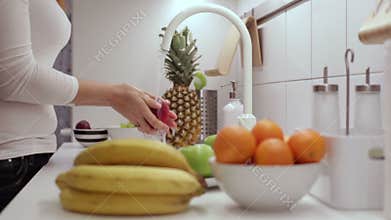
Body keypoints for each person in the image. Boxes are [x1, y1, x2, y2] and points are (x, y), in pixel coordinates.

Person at [0, 0, 176, 210]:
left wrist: (125, 96)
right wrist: (114, 96)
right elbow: (12, 77)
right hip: (9, 162)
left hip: (34, 154)